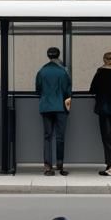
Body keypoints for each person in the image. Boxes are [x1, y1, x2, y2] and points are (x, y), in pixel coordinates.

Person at [36, 46, 72, 176]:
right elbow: (67, 90)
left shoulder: (42, 71)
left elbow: (38, 90)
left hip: (45, 107)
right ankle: (60, 164)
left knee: (47, 136)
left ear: (48, 56)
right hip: (60, 107)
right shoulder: (63, 72)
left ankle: (47, 166)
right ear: (58, 55)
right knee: (60, 137)